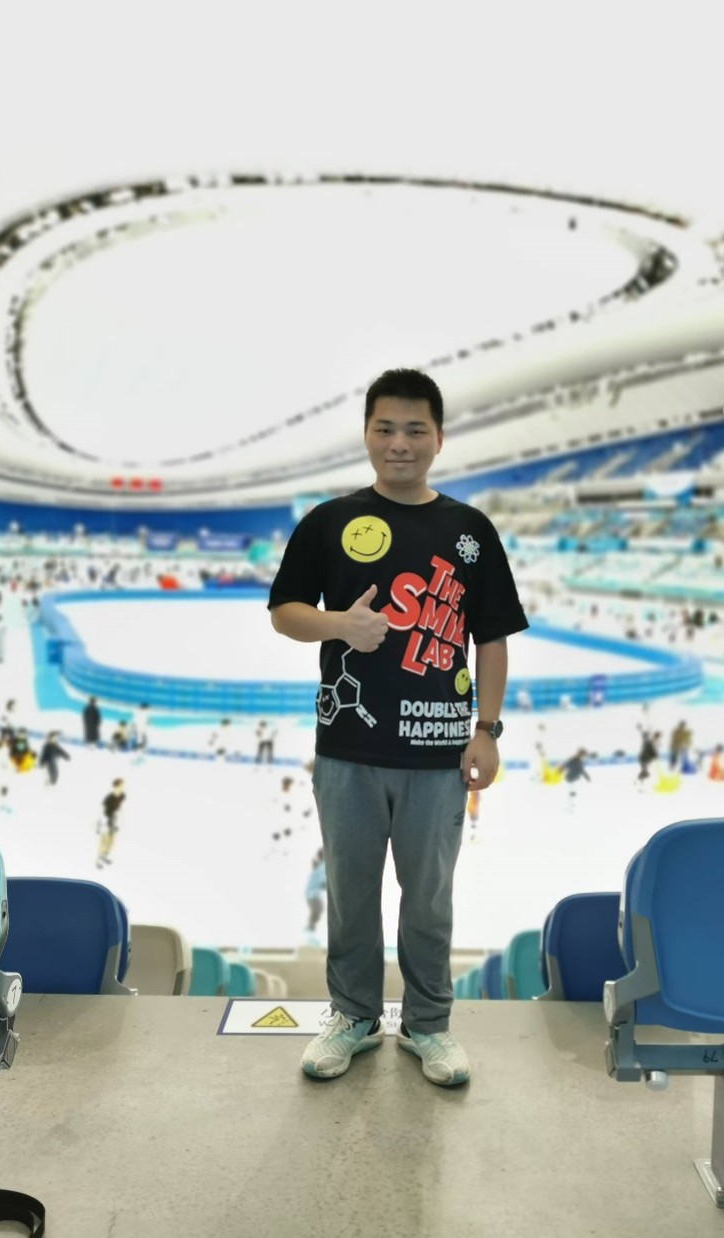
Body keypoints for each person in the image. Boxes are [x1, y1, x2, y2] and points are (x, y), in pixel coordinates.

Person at [268, 368, 527, 1087]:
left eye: (415, 429)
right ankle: (352, 1016)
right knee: (351, 895)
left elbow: (492, 638)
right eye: (385, 428)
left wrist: (487, 730)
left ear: (439, 438)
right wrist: (340, 625)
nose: (400, 443)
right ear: (367, 435)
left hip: (438, 752)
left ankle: (427, 1024)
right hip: (348, 748)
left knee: (429, 900)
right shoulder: (329, 522)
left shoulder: (470, 531)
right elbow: (285, 612)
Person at [96, 779, 126, 869]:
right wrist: (99, 825)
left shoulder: (122, 796)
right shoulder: (109, 797)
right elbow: (102, 812)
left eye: (122, 786)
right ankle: (98, 861)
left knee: (111, 841)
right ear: (115, 786)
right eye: (120, 786)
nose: (121, 788)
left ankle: (104, 856)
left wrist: (118, 822)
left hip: (114, 820)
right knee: (104, 841)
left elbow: (120, 808)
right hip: (105, 820)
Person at [305, 848, 327, 944]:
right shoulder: (323, 866)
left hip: (311, 893)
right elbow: (323, 883)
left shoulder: (319, 865)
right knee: (317, 911)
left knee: (318, 911)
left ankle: (310, 931)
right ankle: (309, 932)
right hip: (313, 894)